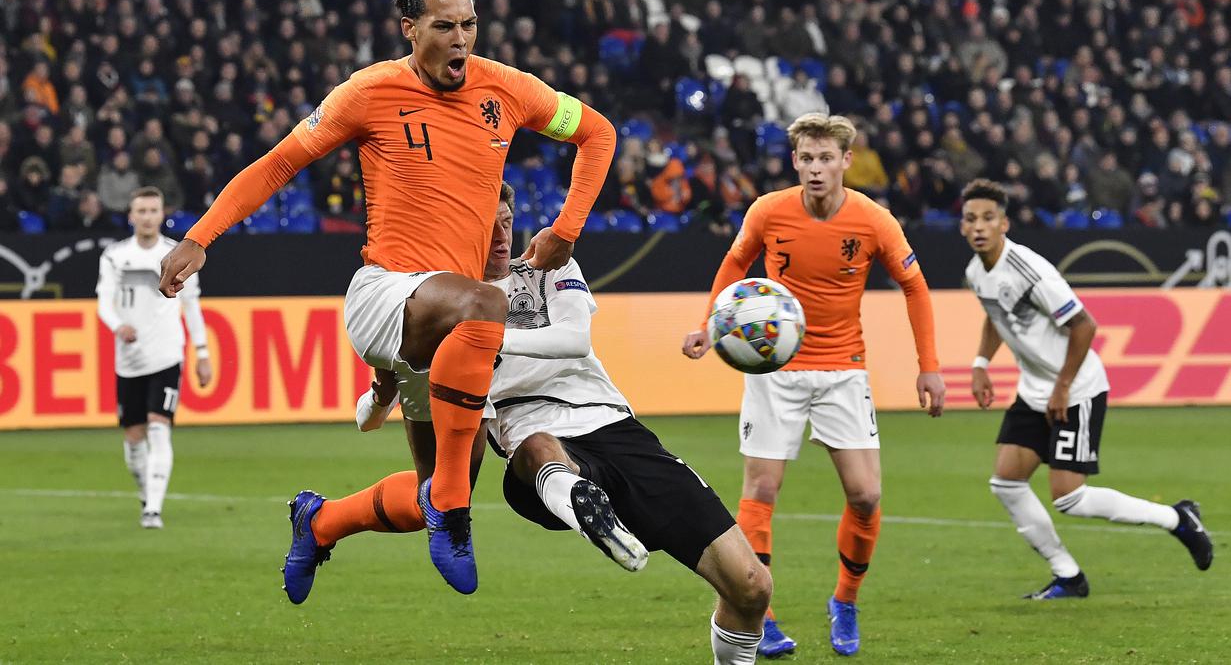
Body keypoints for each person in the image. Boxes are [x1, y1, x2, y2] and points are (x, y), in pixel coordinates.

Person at [157, 0, 615, 595]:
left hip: (455, 332)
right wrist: (199, 236)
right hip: (386, 295)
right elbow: (278, 163)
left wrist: (567, 227)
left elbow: (597, 133)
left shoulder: (507, 91)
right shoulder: (367, 92)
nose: (462, 39)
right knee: (486, 302)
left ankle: (320, 522)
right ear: (410, 29)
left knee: (430, 489)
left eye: (470, 25)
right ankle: (453, 510)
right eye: (445, 26)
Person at [292, 187, 771, 665]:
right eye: (488, 226)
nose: (502, 237)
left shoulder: (545, 262)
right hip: (525, 432)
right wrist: (379, 396)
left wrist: (481, 340)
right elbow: (378, 405)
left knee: (751, 588)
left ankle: (323, 519)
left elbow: (575, 339)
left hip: (615, 428)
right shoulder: (436, 299)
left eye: (507, 221)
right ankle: (583, 509)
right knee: (504, 462)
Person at [681, 113, 946, 658]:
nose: (816, 169)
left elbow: (915, 288)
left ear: (847, 161)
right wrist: (710, 323)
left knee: (866, 495)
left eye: (826, 158)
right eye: (807, 158)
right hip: (775, 368)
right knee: (762, 491)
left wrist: (930, 365)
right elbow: (735, 263)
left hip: (843, 368)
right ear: (794, 161)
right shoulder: (769, 210)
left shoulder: (873, 220)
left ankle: (844, 600)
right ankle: (762, 615)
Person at [958, 179, 1212, 598]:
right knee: (1005, 483)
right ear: (963, 227)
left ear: (1004, 223)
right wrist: (981, 364)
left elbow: (1084, 324)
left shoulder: (1029, 269)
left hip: (1077, 390)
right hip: (1036, 389)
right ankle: (1068, 576)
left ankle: (1178, 519)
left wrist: (1062, 387)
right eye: (971, 219)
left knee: (1068, 497)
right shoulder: (975, 272)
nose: (980, 226)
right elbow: (996, 315)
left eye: (988, 218)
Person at [96, 187, 212, 529]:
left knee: (159, 429)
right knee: (133, 438)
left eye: (152, 210)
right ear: (131, 216)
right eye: (141, 211)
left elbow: (191, 307)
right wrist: (118, 326)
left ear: (161, 214)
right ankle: (147, 492)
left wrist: (202, 352)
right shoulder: (115, 256)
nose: (147, 216)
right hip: (129, 359)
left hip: (166, 354)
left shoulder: (178, 255)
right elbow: (104, 301)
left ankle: (153, 510)